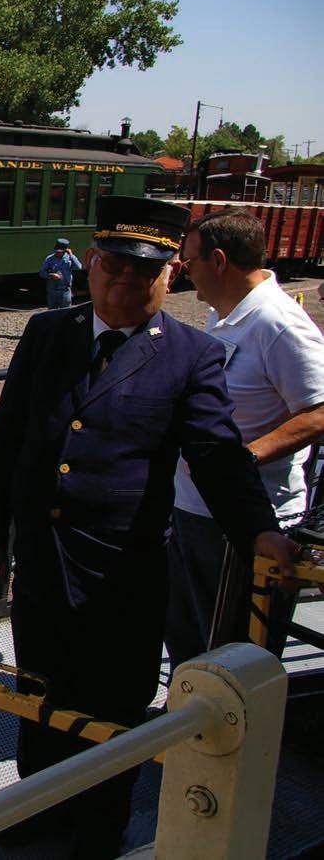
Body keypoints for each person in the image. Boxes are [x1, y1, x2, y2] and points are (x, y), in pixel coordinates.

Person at [0, 196, 300, 857]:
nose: (124, 280)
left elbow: (217, 455)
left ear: (169, 274)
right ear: (91, 262)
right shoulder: (48, 333)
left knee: (114, 705)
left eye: (143, 270)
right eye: (113, 264)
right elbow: (8, 439)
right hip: (43, 558)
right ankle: (40, 805)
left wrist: (258, 531)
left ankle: (98, 829)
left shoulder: (192, 355)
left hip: (123, 571)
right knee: (40, 689)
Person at [165, 209, 324, 669]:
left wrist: (245, 457)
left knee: (232, 654)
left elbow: (318, 410)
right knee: (190, 641)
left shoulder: (279, 323)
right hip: (194, 507)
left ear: (218, 261)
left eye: (190, 261)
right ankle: (187, 712)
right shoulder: (225, 316)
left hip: (245, 521)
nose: (184, 271)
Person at [39, 237, 84, 309]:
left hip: (65, 290)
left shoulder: (69, 258)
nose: (58, 253)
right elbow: (42, 273)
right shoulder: (50, 259)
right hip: (52, 290)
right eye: (56, 251)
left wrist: (72, 255)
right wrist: (51, 275)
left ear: (65, 250)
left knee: (66, 311)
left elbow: (79, 267)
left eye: (60, 252)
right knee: (52, 312)